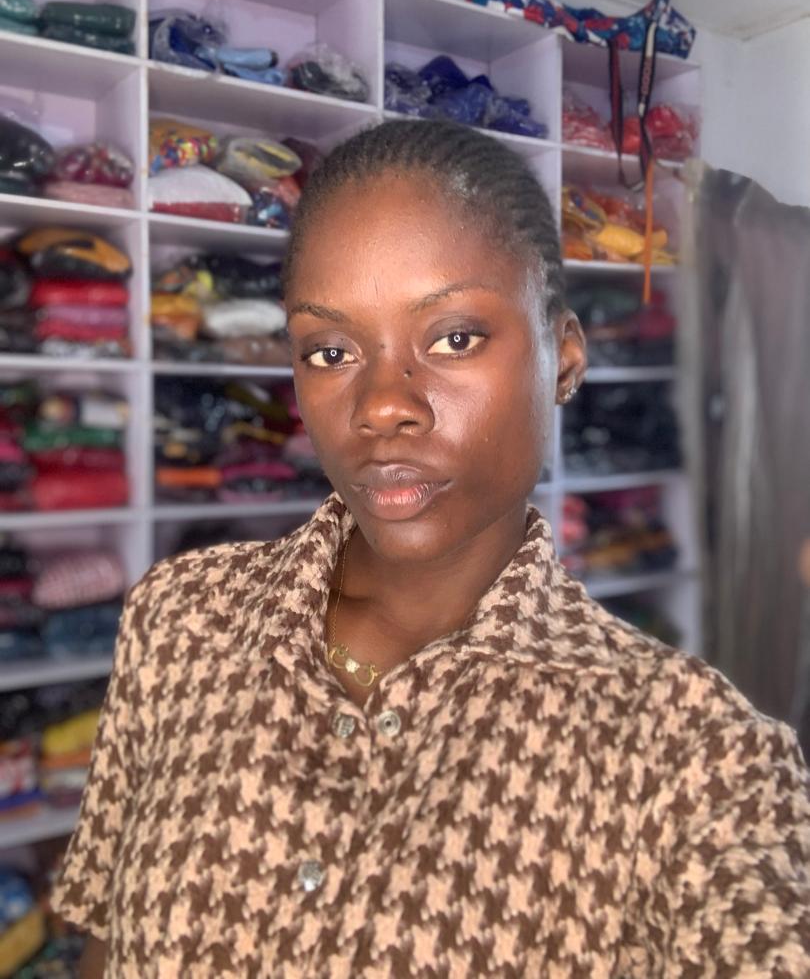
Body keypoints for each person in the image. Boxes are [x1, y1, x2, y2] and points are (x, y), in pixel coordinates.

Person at [55, 120, 809, 977]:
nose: (382, 405)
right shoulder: (181, 618)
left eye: (453, 337)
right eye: (331, 350)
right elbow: (104, 941)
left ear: (564, 359)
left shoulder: (696, 753)